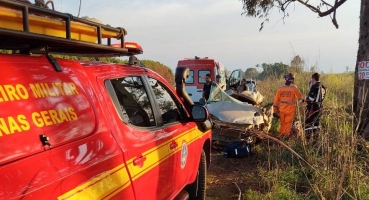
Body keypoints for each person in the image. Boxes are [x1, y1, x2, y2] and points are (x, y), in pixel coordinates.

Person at [273, 72, 303, 137]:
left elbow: (275, 101)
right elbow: (300, 98)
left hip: (281, 111)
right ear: (293, 80)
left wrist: (275, 111)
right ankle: (285, 137)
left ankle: (281, 136)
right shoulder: (294, 88)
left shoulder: (280, 89)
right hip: (290, 111)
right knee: (288, 124)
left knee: (282, 124)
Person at [305, 72, 326, 139]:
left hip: (313, 108)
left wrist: (305, 99)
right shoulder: (322, 86)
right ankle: (316, 138)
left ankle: (308, 139)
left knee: (308, 123)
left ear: (313, 79)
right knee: (316, 123)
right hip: (320, 107)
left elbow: (310, 99)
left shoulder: (315, 86)